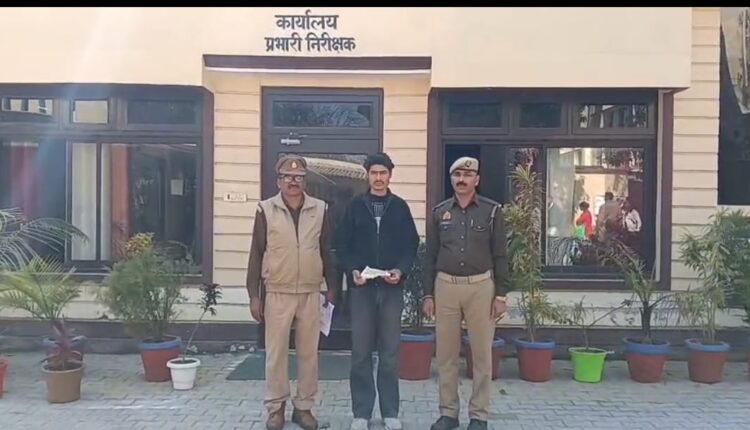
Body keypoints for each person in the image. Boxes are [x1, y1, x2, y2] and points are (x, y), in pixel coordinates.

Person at [245, 154, 338, 430]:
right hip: (277, 291)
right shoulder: (265, 209)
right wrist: (254, 294)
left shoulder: (320, 209)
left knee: (309, 354)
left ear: (305, 181)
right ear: (279, 181)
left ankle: (304, 407)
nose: (293, 181)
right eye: (287, 177)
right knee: (276, 354)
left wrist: (332, 288)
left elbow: (328, 251)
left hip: (310, 292)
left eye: (298, 177)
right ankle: (276, 408)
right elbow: (256, 253)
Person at [422, 156, 510, 430]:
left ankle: (479, 416)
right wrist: (427, 294)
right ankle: (448, 413)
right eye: (457, 175)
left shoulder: (492, 212)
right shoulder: (439, 212)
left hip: (481, 287)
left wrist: (501, 295)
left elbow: (501, 254)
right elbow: (430, 255)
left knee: (482, 355)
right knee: (446, 355)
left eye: (467, 175)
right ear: (451, 179)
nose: (462, 180)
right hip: (445, 286)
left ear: (477, 180)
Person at [334, 152, 419, 430]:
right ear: (367, 176)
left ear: (390, 176)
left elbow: (410, 245)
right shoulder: (355, 207)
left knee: (390, 353)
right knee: (360, 353)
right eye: (374, 173)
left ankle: (390, 411)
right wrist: (352, 271)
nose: (379, 178)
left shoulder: (400, 208)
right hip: (362, 290)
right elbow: (342, 245)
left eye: (383, 173)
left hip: (392, 290)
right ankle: (361, 413)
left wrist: (401, 270)